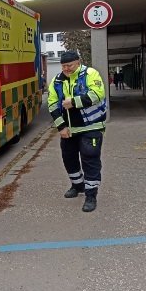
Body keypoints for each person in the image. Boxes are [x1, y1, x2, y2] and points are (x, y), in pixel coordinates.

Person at [48, 51, 107, 212]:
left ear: (78, 62)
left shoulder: (90, 73)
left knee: (90, 159)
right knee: (69, 158)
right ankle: (77, 185)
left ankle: (91, 195)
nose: (66, 69)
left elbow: (98, 94)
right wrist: (61, 127)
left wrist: (74, 102)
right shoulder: (57, 80)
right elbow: (52, 104)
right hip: (69, 130)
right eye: (64, 66)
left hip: (91, 126)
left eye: (70, 65)